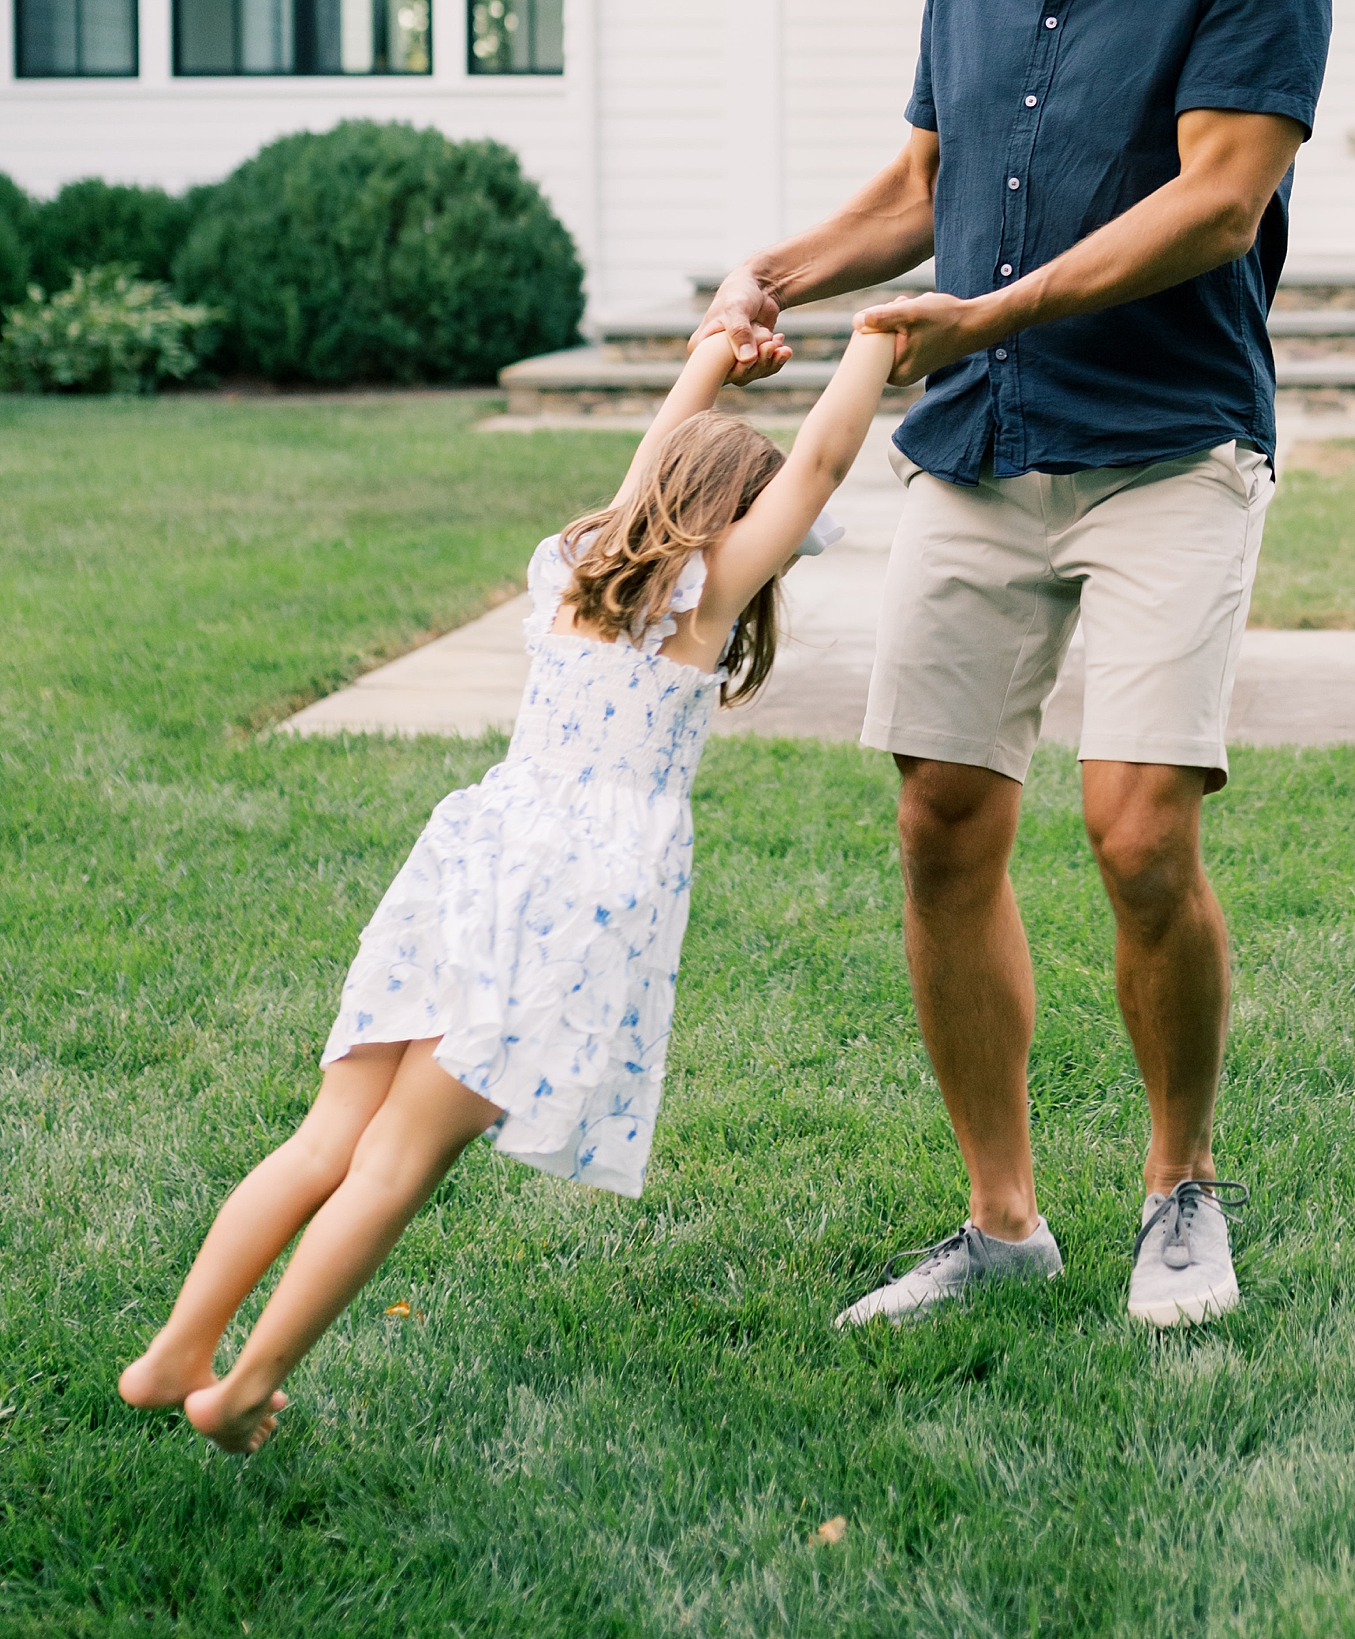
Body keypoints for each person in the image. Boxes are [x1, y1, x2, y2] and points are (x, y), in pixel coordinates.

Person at [695, 0, 1332, 1329]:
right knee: (942, 825)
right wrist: (778, 272)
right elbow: (929, 177)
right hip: (978, 454)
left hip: (1166, 451)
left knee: (1137, 835)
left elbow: (1220, 198)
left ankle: (1181, 1191)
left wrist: (1004, 305)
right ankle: (1001, 1226)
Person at [117, 321, 897, 1451]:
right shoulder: (706, 600)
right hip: (568, 899)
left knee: (327, 1137)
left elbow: (654, 458)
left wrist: (713, 359)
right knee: (394, 1160)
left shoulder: (580, 564)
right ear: (740, 523)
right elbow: (820, 460)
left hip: (475, 854)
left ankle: (174, 1350)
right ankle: (239, 1386)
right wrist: (879, 340)